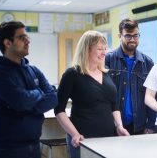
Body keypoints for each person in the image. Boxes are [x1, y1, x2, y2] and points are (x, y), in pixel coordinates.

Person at [0, 21, 58, 158]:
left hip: (33, 146)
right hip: (5, 150)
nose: (27, 41)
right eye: (22, 37)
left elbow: (53, 98)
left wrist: (27, 106)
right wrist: (38, 93)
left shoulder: (33, 70)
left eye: (27, 38)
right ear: (7, 43)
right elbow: (21, 101)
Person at [54, 30, 129, 158]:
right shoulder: (72, 74)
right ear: (87, 50)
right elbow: (59, 109)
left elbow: (114, 105)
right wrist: (74, 134)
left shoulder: (107, 74)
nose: (104, 52)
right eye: (99, 49)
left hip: (109, 137)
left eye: (105, 48)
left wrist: (119, 126)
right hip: (83, 139)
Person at [105, 18, 156, 135]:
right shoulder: (108, 60)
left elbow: (153, 95)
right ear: (120, 36)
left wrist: (151, 124)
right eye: (128, 36)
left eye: (135, 36)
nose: (132, 39)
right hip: (113, 125)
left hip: (138, 125)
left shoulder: (147, 62)